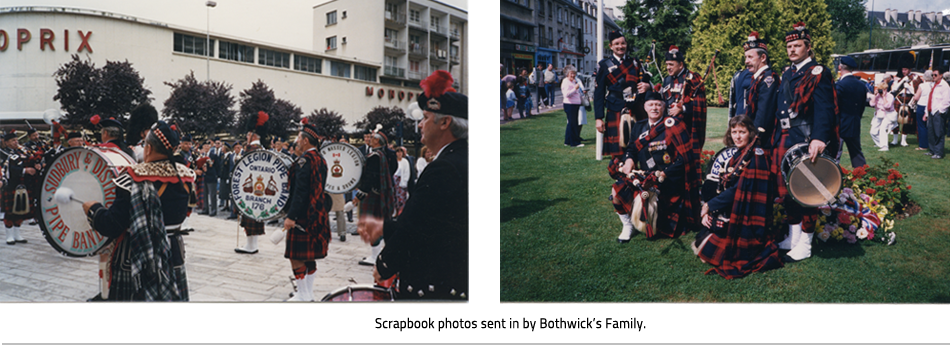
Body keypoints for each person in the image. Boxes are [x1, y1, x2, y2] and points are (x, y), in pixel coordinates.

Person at [358, 69, 468, 300]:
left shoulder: (444, 167)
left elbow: (415, 227)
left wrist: (385, 263)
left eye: (425, 118)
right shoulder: (459, 158)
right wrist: (384, 228)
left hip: (435, 287)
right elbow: (433, 223)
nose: (420, 125)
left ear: (445, 122)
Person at [82, 120, 195, 301]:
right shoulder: (187, 177)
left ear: (148, 148)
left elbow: (113, 225)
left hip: (136, 256)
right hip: (173, 252)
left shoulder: (133, 177)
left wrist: (93, 209)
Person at [773, 22, 838, 262]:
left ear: (808, 47)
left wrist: (820, 137)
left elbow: (825, 108)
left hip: (807, 139)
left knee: (807, 191)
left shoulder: (818, 72)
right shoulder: (787, 73)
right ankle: (793, 237)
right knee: (789, 191)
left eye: (797, 45)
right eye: (789, 45)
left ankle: (807, 244)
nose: (792, 49)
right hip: (785, 138)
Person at [695, 115, 783, 279]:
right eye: (734, 131)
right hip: (735, 210)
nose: (737, 136)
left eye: (742, 132)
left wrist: (709, 206)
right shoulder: (741, 153)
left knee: (709, 253)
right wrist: (712, 211)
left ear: (751, 133)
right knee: (701, 242)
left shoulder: (756, 157)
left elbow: (738, 191)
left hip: (749, 220)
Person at [610, 91, 699, 241]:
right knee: (616, 192)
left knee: (659, 229)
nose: (654, 108)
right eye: (651, 104)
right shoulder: (638, 127)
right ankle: (627, 226)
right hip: (643, 177)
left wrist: (664, 174)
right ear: (645, 107)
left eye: (658, 104)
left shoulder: (674, 126)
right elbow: (631, 148)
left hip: (667, 181)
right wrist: (629, 160)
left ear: (664, 107)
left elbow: (683, 159)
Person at [283, 118, 331, 302]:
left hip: (303, 216)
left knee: (296, 256)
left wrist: (291, 216)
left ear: (305, 140)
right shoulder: (321, 160)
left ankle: (303, 294)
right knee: (310, 258)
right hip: (317, 215)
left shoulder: (303, 161)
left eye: (298, 138)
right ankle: (307, 293)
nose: (296, 141)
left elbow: (300, 192)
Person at [594, 30, 652, 157]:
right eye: (616, 44)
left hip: (635, 108)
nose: (620, 46)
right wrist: (599, 118)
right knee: (618, 152)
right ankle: (620, 175)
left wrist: (647, 86)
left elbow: (645, 83)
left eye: (623, 43)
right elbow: (599, 93)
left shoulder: (635, 62)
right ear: (610, 46)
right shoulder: (604, 65)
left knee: (639, 147)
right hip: (615, 109)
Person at [660, 44, 707, 159]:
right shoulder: (666, 80)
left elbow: (700, 105)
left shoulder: (693, 78)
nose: (668, 68)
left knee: (685, 159)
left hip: (687, 127)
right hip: (669, 127)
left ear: (681, 65)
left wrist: (683, 109)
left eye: (671, 64)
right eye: (667, 64)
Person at [354, 128, 394, 266]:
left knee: (372, 225)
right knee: (379, 223)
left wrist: (358, 197)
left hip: (372, 195)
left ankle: (374, 256)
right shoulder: (385, 154)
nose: (369, 139)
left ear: (377, 140)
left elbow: (369, 178)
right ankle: (377, 254)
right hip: (381, 194)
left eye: (371, 137)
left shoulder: (374, 157)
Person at [236, 111, 271, 254]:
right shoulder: (262, 149)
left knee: (249, 216)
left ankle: (250, 246)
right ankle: (253, 245)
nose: (246, 136)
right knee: (256, 216)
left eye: (248, 134)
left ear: (253, 135)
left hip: (250, 187)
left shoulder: (251, 149)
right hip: (260, 188)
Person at [2, 131, 38, 245]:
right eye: (13, 141)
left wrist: (36, 164)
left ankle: (17, 234)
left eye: (16, 140)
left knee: (21, 210)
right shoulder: (2, 153)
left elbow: (30, 159)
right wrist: (24, 171)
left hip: (24, 184)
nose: (15, 142)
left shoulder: (22, 151)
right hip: (10, 185)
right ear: (6, 142)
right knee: (10, 211)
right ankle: (9, 235)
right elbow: (8, 169)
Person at [836, 56, 868, 167]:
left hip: (840, 123)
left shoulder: (839, 85)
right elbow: (862, 106)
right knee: (857, 154)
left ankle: (831, 179)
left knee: (835, 154)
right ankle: (863, 178)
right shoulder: (861, 85)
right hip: (854, 122)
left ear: (840, 67)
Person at [890, 53, 921, 147]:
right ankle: (895, 140)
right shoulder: (900, 77)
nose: (904, 71)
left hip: (908, 101)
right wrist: (902, 81)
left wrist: (910, 87)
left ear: (910, 69)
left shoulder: (915, 77)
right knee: (895, 120)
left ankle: (903, 140)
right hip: (898, 100)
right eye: (903, 69)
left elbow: (917, 92)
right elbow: (894, 89)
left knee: (906, 121)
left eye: (906, 69)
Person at [924, 66, 949, 159]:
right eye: (932, 75)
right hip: (931, 111)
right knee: (931, 132)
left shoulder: (944, 86)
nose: (933, 76)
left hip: (938, 112)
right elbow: (930, 99)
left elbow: (946, 100)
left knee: (938, 132)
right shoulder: (932, 84)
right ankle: (932, 150)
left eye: (935, 75)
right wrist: (926, 112)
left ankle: (938, 152)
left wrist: (940, 111)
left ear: (941, 75)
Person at [869, 82, 897, 151]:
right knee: (873, 131)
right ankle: (880, 143)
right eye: (879, 89)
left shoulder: (890, 96)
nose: (880, 91)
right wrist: (874, 96)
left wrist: (884, 96)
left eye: (881, 89)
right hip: (879, 114)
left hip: (888, 115)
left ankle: (885, 146)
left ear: (885, 89)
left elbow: (887, 106)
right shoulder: (877, 96)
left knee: (882, 129)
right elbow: (871, 104)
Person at [561, 65, 584, 147]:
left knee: (571, 123)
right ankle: (574, 142)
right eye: (571, 73)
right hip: (570, 104)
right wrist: (575, 88)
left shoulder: (573, 81)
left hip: (575, 104)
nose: (573, 75)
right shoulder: (566, 81)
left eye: (574, 73)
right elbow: (566, 94)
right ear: (567, 74)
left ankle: (567, 141)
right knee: (573, 123)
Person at [911, 70, 934, 151]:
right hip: (931, 105)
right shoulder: (934, 85)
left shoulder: (922, 85)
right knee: (930, 126)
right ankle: (931, 144)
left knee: (921, 126)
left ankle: (923, 145)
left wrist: (914, 97)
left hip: (922, 105)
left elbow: (916, 97)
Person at [393, 146, 411, 217]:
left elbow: (407, 172)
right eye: (398, 152)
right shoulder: (394, 160)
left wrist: (405, 181)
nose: (399, 154)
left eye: (401, 152)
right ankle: (396, 212)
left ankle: (401, 212)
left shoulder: (405, 161)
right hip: (394, 181)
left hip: (401, 181)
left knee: (401, 198)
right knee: (395, 197)